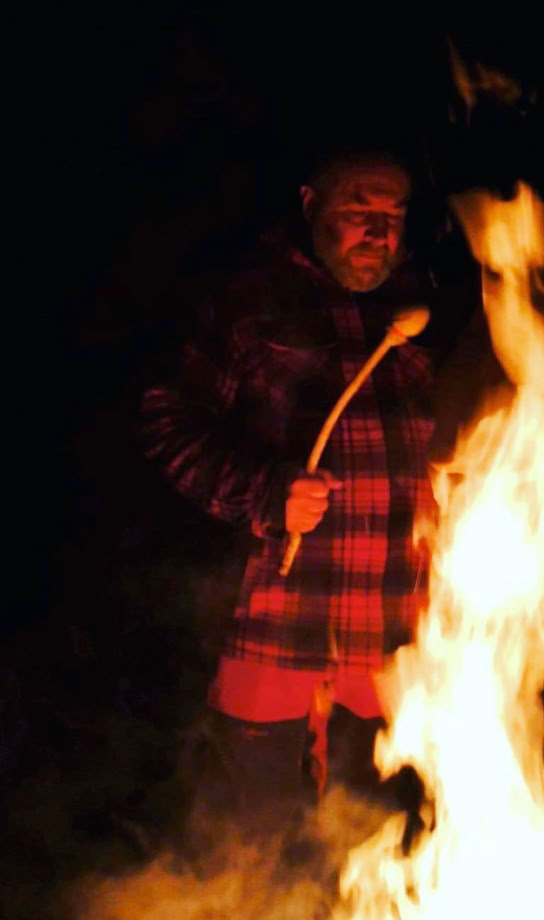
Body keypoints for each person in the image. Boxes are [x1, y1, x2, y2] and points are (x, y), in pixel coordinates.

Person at [141, 150, 436, 838]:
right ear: (310, 204)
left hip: (395, 629)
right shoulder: (250, 301)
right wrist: (263, 492)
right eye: (357, 210)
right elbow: (166, 421)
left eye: (392, 215)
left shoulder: (419, 303)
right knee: (254, 834)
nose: (378, 232)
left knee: (375, 835)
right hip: (276, 623)